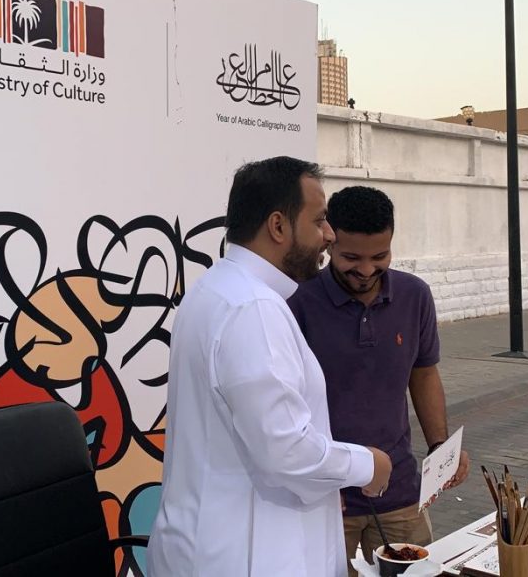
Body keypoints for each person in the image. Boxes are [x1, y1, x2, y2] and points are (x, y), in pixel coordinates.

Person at [147, 157, 393, 577]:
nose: (329, 235)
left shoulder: (218, 290)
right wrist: (368, 465)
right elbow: (286, 450)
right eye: (319, 221)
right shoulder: (253, 308)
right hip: (247, 556)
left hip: (213, 546)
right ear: (278, 226)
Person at [287, 186, 470, 576]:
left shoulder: (415, 296)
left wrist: (440, 446)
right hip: (327, 498)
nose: (367, 270)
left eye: (380, 257)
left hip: (400, 493)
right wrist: (316, 481)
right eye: (352, 258)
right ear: (329, 242)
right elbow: (288, 402)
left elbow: (423, 373)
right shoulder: (297, 302)